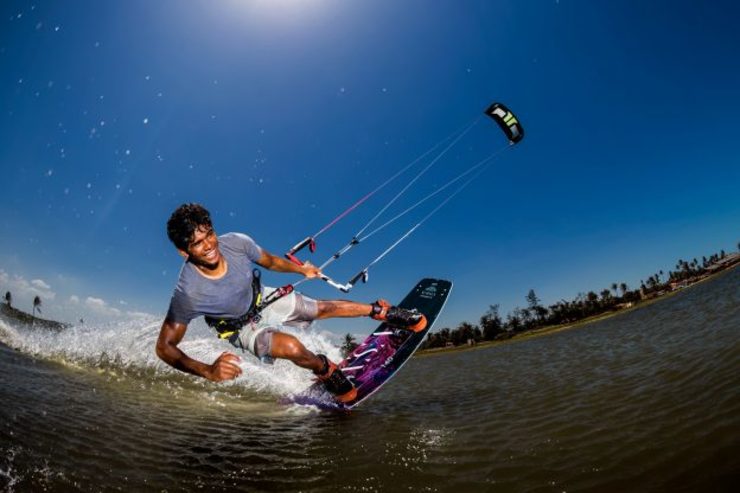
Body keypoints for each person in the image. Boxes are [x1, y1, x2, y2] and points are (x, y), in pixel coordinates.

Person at [156, 203, 427, 403]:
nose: (209, 245)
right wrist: (208, 371)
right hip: (242, 328)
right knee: (292, 347)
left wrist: (302, 270)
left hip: (264, 298)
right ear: (184, 252)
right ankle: (325, 370)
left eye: (209, 234)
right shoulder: (189, 292)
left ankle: (381, 311)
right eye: (197, 243)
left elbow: (271, 261)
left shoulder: (237, 243)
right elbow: (165, 348)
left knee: (323, 308)